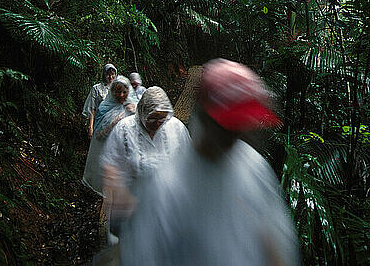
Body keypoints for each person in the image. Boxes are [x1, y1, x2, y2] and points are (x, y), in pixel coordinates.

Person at [119, 58, 300, 266]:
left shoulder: (254, 165)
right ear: (204, 117)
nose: (234, 135)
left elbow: (275, 238)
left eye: (240, 125)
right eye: (226, 126)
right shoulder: (163, 190)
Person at [100, 87, 191, 237]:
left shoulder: (176, 128)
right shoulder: (124, 129)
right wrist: (119, 199)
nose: (157, 123)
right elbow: (111, 166)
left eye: (162, 118)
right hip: (134, 209)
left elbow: (189, 163)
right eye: (152, 118)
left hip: (170, 207)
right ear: (142, 112)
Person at [82, 75, 136, 197]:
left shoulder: (133, 107)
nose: (121, 95)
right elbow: (99, 136)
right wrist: (114, 123)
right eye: (118, 92)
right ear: (112, 92)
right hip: (109, 155)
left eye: (124, 92)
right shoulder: (103, 108)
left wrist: (134, 113)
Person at [82, 64, 117, 139]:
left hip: (114, 124)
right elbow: (92, 108)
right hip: (100, 123)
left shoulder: (118, 89)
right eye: (108, 74)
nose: (110, 77)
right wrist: (90, 127)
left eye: (112, 74)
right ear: (104, 74)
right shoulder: (97, 88)